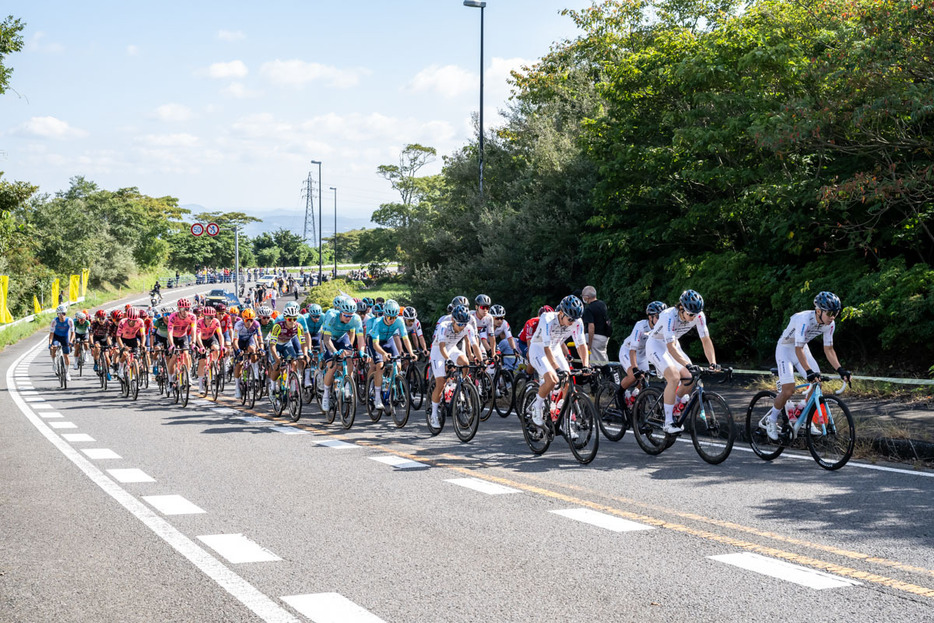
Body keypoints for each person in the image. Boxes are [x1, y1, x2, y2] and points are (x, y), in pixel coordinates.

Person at [763, 292, 851, 441]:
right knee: (789, 389)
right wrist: (809, 371)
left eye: (835, 313)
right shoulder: (804, 320)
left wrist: (840, 369)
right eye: (829, 313)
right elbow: (797, 349)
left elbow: (828, 349)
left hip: (802, 348)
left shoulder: (830, 324)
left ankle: (801, 415)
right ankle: (771, 420)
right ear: (818, 311)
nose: (832, 317)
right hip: (785, 349)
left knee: (817, 384)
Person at [645, 289, 718, 434]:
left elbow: (705, 340)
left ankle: (675, 406)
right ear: (681, 308)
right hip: (656, 345)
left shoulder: (698, 315)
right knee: (674, 377)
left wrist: (713, 362)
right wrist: (687, 364)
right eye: (691, 314)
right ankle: (667, 422)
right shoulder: (668, 316)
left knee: (689, 378)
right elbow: (670, 348)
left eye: (696, 314)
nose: (694, 317)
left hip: (673, 344)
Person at [527, 296, 590, 435]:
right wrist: (556, 368)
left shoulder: (577, 321)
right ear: (561, 313)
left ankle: (563, 420)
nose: (573, 322)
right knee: (552, 379)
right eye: (570, 319)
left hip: (555, 349)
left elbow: (581, 345)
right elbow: (546, 348)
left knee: (567, 382)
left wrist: (586, 365)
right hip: (539, 349)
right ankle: (537, 408)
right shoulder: (547, 318)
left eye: (575, 319)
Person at [428, 304, 480, 428]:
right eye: (459, 324)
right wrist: (448, 360)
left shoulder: (468, 327)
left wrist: (481, 360)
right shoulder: (444, 326)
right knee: (440, 383)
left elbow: (474, 345)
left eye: (464, 324)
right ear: (453, 320)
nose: (462, 327)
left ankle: (459, 386)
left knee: (465, 362)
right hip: (438, 351)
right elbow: (441, 347)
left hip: (451, 348)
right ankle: (434, 414)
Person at [365, 299, 416, 411]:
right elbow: (376, 345)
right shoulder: (377, 322)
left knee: (397, 366)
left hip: (388, 340)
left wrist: (411, 352)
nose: (392, 320)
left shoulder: (399, 321)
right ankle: (377, 397)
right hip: (375, 342)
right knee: (380, 365)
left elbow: (405, 338)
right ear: (385, 315)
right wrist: (383, 353)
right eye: (390, 318)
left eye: (394, 317)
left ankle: (389, 387)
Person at [320, 296, 365, 411]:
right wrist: (335, 352)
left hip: (341, 337)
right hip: (328, 339)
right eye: (346, 315)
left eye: (351, 316)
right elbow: (326, 339)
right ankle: (325, 395)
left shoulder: (356, 319)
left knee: (349, 358)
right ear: (341, 312)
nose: (348, 318)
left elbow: (360, 338)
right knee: (333, 365)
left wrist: (362, 352)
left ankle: (347, 385)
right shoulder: (331, 316)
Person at [618, 301, 666, 403]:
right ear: (650, 317)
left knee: (644, 381)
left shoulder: (662, 329)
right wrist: (635, 367)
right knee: (634, 376)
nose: (660, 320)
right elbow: (632, 349)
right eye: (658, 317)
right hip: (628, 351)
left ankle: (634, 403)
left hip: (642, 355)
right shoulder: (640, 326)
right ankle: (619, 393)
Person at [581, 285, 611, 365]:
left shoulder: (589, 309)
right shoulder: (602, 304)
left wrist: (589, 345)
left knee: (595, 363)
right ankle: (609, 376)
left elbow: (591, 327)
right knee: (603, 361)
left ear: (587, 297)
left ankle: (604, 376)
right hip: (604, 337)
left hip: (595, 338)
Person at [49, 304, 74, 381]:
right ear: (58, 314)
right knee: (54, 348)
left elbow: (73, 333)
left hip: (64, 338)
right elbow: (51, 334)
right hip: (56, 337)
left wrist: (71, 341)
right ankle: (54, 363)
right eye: (60, 314)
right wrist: (50, 344)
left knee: (66, 356)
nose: (62, 315)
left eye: (64, 313)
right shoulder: (54, 321)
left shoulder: (69, 321)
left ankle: (67, 372)